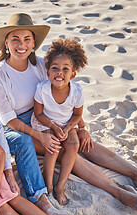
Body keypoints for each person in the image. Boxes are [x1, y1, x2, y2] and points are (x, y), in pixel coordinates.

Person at [0, 13, 137, 213]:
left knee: (84, 142)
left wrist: (82, 126)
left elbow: (63, 98)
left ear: (33, 43)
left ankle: (136, 174)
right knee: (66, 151)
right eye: (15, 39)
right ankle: (116, 191)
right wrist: (40, 136)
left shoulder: (40, 65)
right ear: (6, 43)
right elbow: (8, 120)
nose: (21, 45)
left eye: (26, 39)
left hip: (50, 115)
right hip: (22, 126)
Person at [31, 38, 87, 205]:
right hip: (45, 123)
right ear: (48, 72)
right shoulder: (42, 89)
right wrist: (53, 126)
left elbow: (77, 115)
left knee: (73, 144)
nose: (59, 73)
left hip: (67, 124)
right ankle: (48, 185)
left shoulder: (77, 92)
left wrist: (69, 127)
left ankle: (60, 185)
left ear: (73, 74)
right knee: (53, 146)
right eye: (55, 68)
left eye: (65, 69)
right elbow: (38, 113)